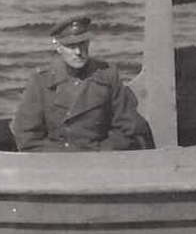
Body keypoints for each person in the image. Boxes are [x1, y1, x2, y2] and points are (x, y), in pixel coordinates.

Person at [11, 15, 153, 151]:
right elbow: (26, 136)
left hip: (99, 158)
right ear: (58, 46)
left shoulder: (107, 76)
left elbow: (130, 127)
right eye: (71, 46)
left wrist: (100, 152)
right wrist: (62, 157)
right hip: (56, 160)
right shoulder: (41, 81)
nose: (78, 52)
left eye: (82, 43)